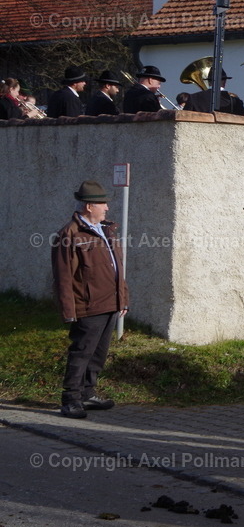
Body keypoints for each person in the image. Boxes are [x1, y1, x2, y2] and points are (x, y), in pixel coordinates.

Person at [52, 180, 129, 419]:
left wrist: (123, 299)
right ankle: (70, 400)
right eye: (102, 203)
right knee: (82, 352)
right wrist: (69, 311)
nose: (106, 207)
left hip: (110, 303)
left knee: (99, 352)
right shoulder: (69, 234)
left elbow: (117, 268)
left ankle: (87, 394)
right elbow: (63, 276)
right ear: (88, 206)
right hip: (88, 306)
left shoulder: (105, 230)